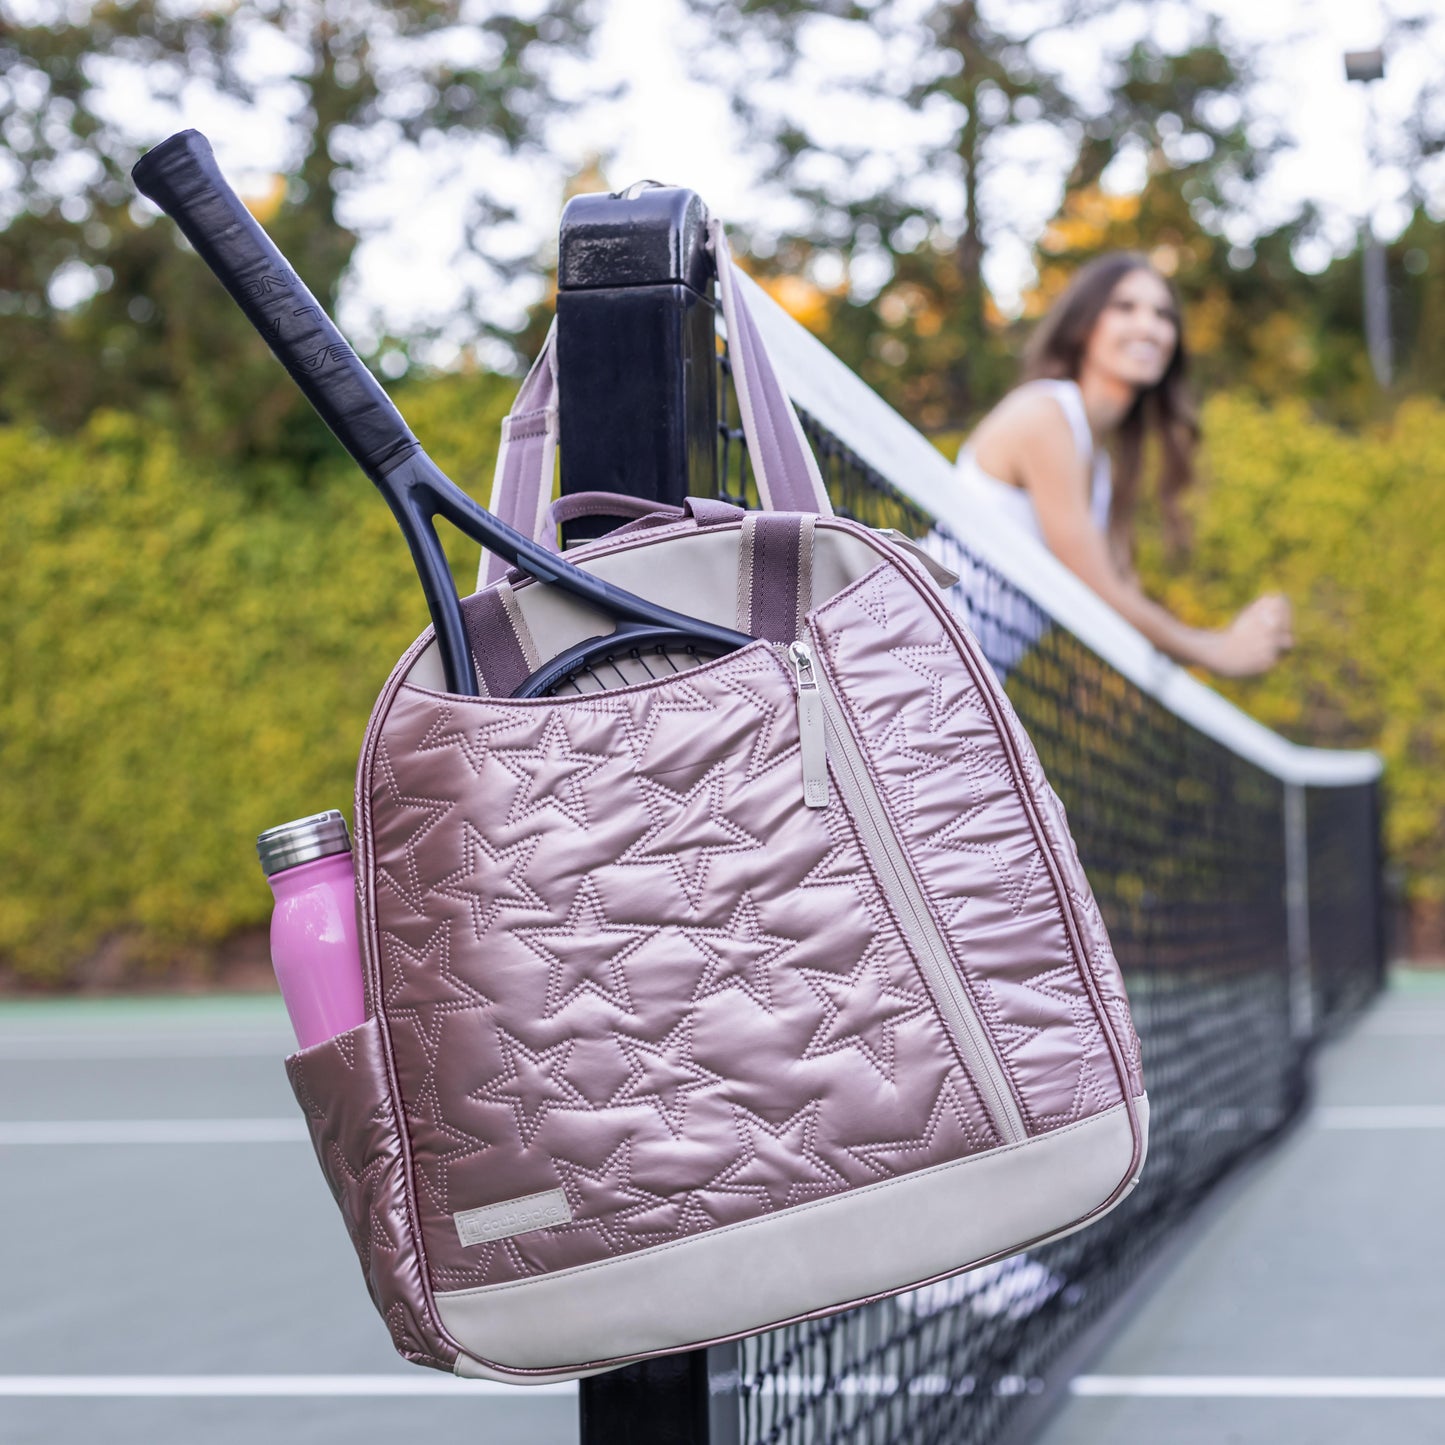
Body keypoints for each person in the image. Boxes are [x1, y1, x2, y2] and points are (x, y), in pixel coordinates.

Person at [955, 252, 1292, 677]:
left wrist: (1239, 634)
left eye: (1163, 315)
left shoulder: (1099, 462)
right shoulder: (1044, 416)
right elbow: (1098, 590)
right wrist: (1216, 652)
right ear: (1083, 324)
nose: (1148, 327)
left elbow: (1125, 594)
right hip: (909, 650)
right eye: (1125, 307)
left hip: (967, 681)